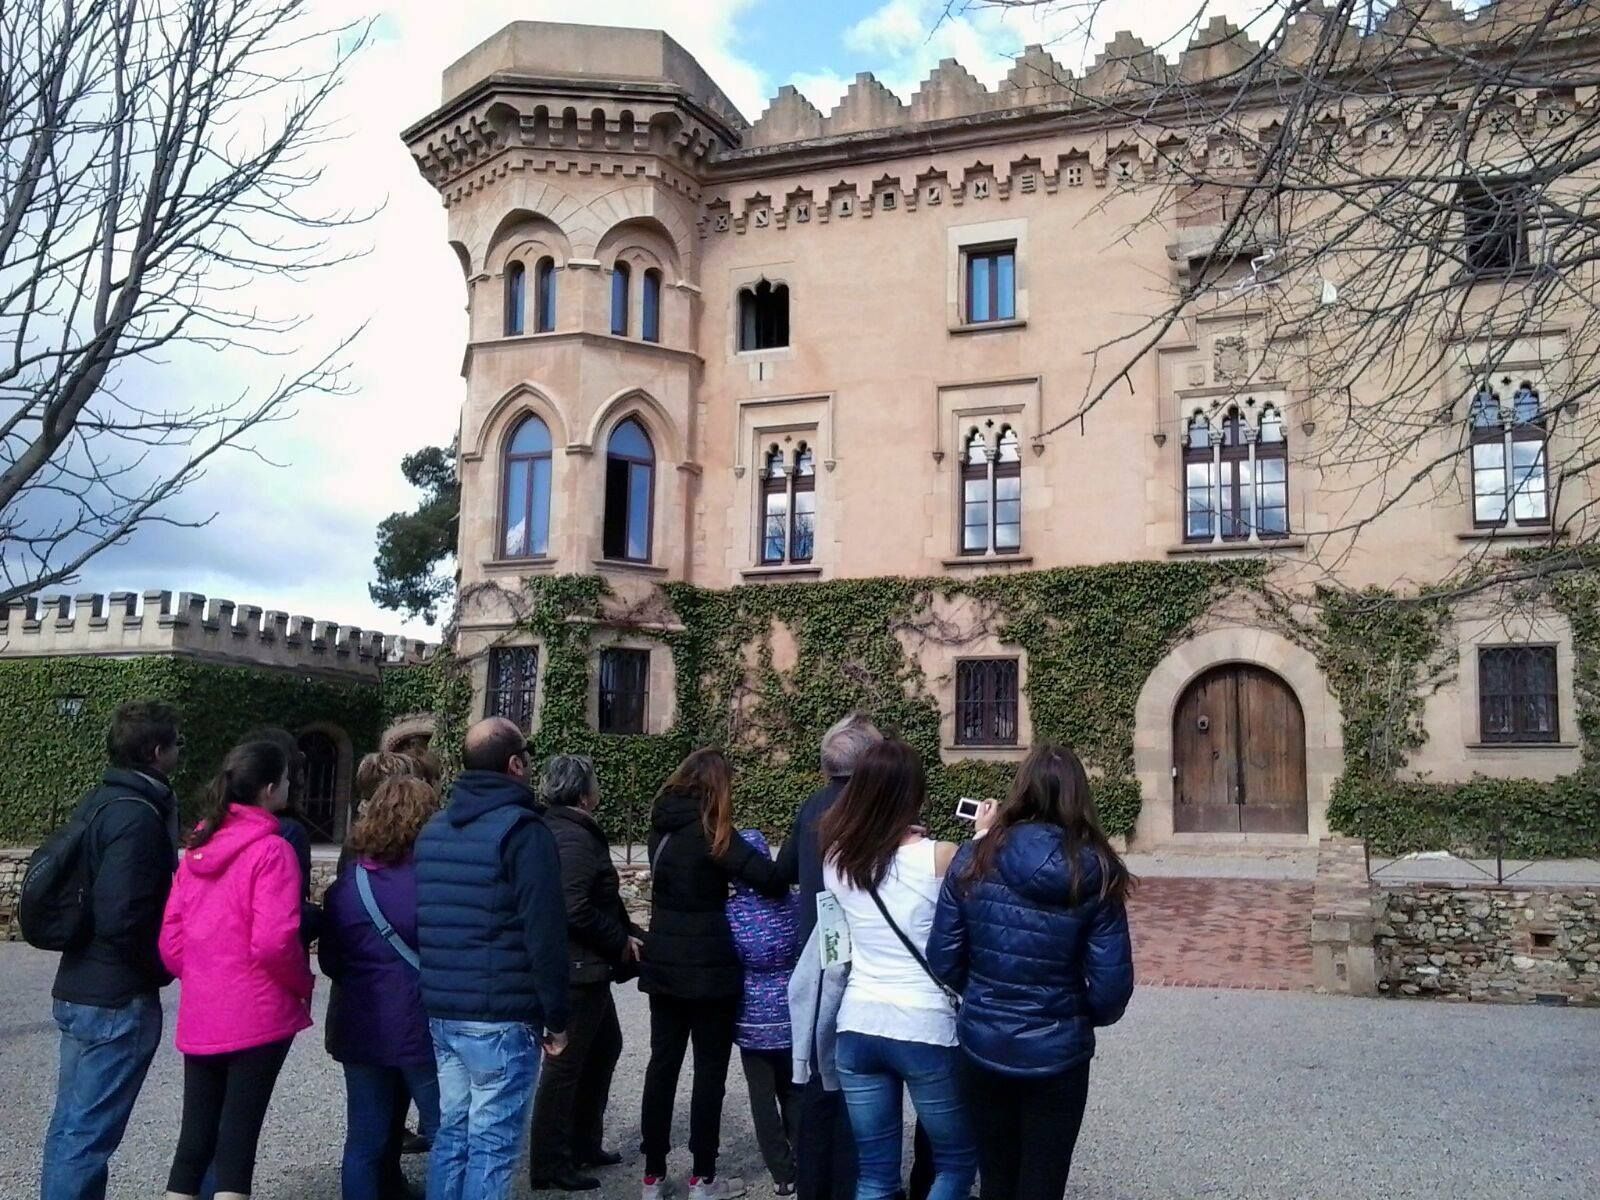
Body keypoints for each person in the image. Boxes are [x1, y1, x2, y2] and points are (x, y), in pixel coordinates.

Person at [927, 744, 1134, 1200]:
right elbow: (1111, 991)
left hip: (983, 1042)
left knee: (996, 1179)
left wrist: (983, 992)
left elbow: (942, 957)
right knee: (1043, 1183)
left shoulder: (973, 857)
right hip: (1056, 1052)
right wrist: (1067, 1011)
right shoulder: (1095, 872)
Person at [415, 717, 570, 1200]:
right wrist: (557, 1017)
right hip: (501, 1014)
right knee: (492, 1146)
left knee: (452, 1137)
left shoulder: (434, 830)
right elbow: (544, 932)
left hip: (444, 1009)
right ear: (516, 764)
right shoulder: (524, 831)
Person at [819, 739, 977, 1200]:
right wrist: (985, 834)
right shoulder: (939, 856)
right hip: (924, 1023)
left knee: (874, 1174)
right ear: (914, 794)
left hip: (858, 1023)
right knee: (956, 1163)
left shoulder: (836, 859)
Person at [160, 740, 315, 1200]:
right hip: (258, 1010)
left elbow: (170, 940)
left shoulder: (199, 848)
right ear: (270, 789)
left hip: (204, 1007)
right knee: (237, 1139)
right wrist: (300, 983)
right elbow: (273, 941)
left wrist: (206, 974)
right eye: (286, 780)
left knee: (194, 1138)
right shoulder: (272, 851)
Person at [40, 701, 183, 1200]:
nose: (181, 752)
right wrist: (160, 968)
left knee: (70, 1129)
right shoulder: (137, 815)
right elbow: (122, 913)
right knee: (86, 1137)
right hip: (115, 997)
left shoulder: (98, 801)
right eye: (177, 744)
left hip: (79, 982)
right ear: (155, 751)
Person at [639, 748, 789, 1200]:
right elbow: (771, 878)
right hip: (710, 967)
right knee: (709, 1072)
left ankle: (652, 1174)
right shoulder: (713, 831)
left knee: (661, 1066)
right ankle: (703, 1176)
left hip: (664, 958)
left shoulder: (658, 829)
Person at [776, 714, 883, 1200]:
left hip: (812, 960)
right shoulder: (873, 812)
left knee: (819, 1078)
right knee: (858, 1080)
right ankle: (851, 1181)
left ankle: (813, 1181)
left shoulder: (809, 809)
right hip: (860, 962)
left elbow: (782, 872)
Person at [319, 776, 441, 1200]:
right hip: (419, 1025)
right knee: (446, 1134)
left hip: (363, 1026)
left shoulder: (347, 886)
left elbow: (332, 961)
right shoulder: (432, 885)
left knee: (364, 1142)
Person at [528, 754, 640, 1193]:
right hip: (577, 967)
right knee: (565, 1065)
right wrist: (619, 940)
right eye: (594, 781)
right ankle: (552, 1161)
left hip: (585, 965)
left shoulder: (566, 829)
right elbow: (573, 906)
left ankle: (583, 1141)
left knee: (604, 1047)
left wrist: (627, 932)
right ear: (582, 793)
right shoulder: (572, 837)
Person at [728, 829, 801, 1197]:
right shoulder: (794, 904)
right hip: (790, 1010)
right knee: (793, 1090)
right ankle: (805, 1156)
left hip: (751, 1014)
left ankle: (781, 1172)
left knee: (761, 1097)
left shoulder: (732, 912)